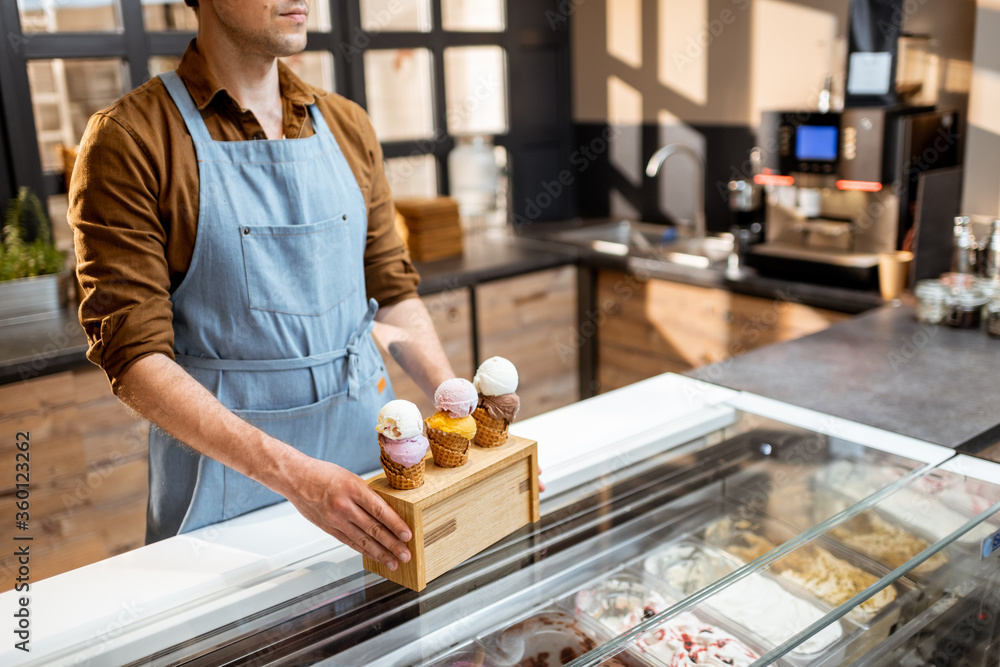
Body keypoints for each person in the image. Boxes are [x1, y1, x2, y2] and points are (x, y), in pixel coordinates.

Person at [68, 0, 456, 573]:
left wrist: (453, 402)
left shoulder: (348, 125)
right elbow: (135, 357)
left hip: (372, 469)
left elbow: (393, 294)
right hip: (228, 490)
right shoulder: (131, 141)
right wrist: (297, 478)